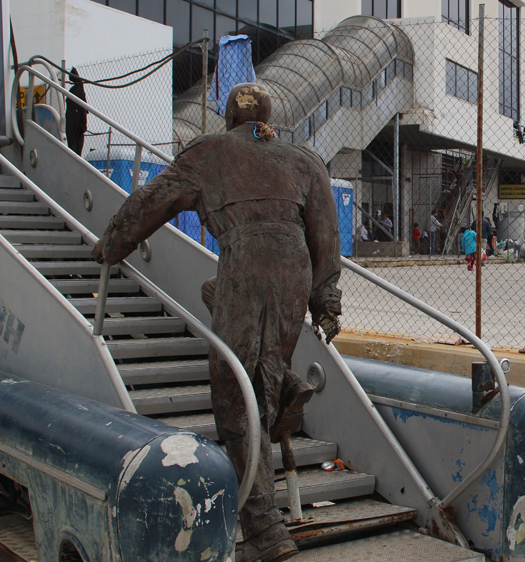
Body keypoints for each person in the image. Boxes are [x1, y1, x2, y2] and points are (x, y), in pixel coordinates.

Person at [92, 83, 342, 562]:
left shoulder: (209, 151)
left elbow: (152, 200)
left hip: (245, 263)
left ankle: (265, 531)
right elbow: (326, 235)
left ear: (229, 117)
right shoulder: (303, 160)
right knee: (231, 317)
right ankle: (283, 382)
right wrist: (325, 302)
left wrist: (113, 244)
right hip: (293, 269)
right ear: (268, 117)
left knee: (236, 398)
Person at [66, 68, 87, 156]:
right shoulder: (78, 90)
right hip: (76, 120)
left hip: (74, 120)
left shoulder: (75, 90)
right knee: (75, 146)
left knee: (74, 145)